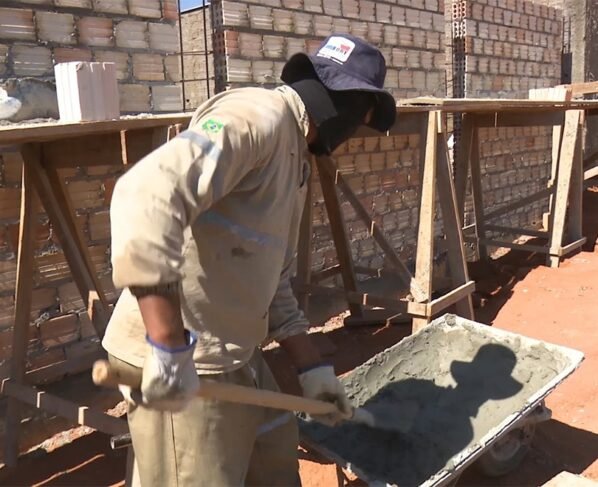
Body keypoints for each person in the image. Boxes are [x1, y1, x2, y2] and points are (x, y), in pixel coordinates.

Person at [101, 33, 397, 486]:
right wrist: (167, 345)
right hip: (183, 360)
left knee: (275, 459)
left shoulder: (295, 157)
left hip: (233, 352)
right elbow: (145, 196)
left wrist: (312, 368)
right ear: (350, 106)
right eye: (363, 122)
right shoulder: (258, 118)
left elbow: (271, 278)